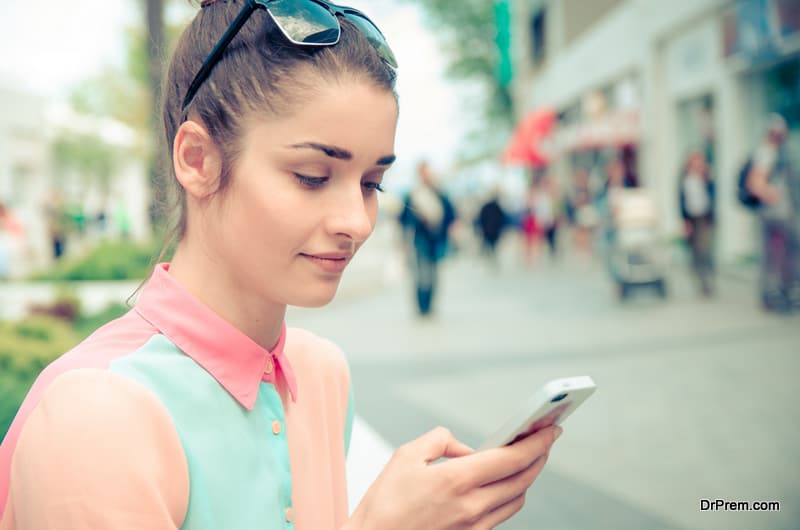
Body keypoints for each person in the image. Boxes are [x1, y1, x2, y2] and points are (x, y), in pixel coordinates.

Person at [0, 1, 561, 528]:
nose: (357, 222)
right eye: (312, 176)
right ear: (197, 160)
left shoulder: (320, 374)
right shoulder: (95, 414)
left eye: (372, 184)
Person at [746, 114, 800, 312]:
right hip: (775, 216)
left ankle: (781, 293)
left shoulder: (779, 152)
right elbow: (754, 183)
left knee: (784, 256)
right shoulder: (767, 152)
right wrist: (773, 194)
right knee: (777, 257)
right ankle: (775, 294)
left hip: (782, 214)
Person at [398, 161, 456, 316]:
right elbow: (403, 219)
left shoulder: (439, 193)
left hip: (437, 241)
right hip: (419, 241)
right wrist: (403, 241)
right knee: (422, 274)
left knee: (434, 275)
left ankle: (430, 306)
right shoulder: (413, 195)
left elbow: (450, 215)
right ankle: (422, 307)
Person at [679, 150, 716, 296]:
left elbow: (713, 196)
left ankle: (707, 281)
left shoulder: (706, 177)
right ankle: (700, 281)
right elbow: (680, 201)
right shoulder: (684, 179)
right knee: (695, 251)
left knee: (704, 249)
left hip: (704, 217)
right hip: (691, 218)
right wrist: (684, 221)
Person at [476, 188, 507, 265]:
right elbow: (502, 219)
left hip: (488, 229)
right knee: (492, 245)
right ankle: (490, 256)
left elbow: (481, 218)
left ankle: (489, 256)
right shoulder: (497, 207)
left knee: (489, 244)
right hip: (493, 230)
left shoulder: (487, 206)